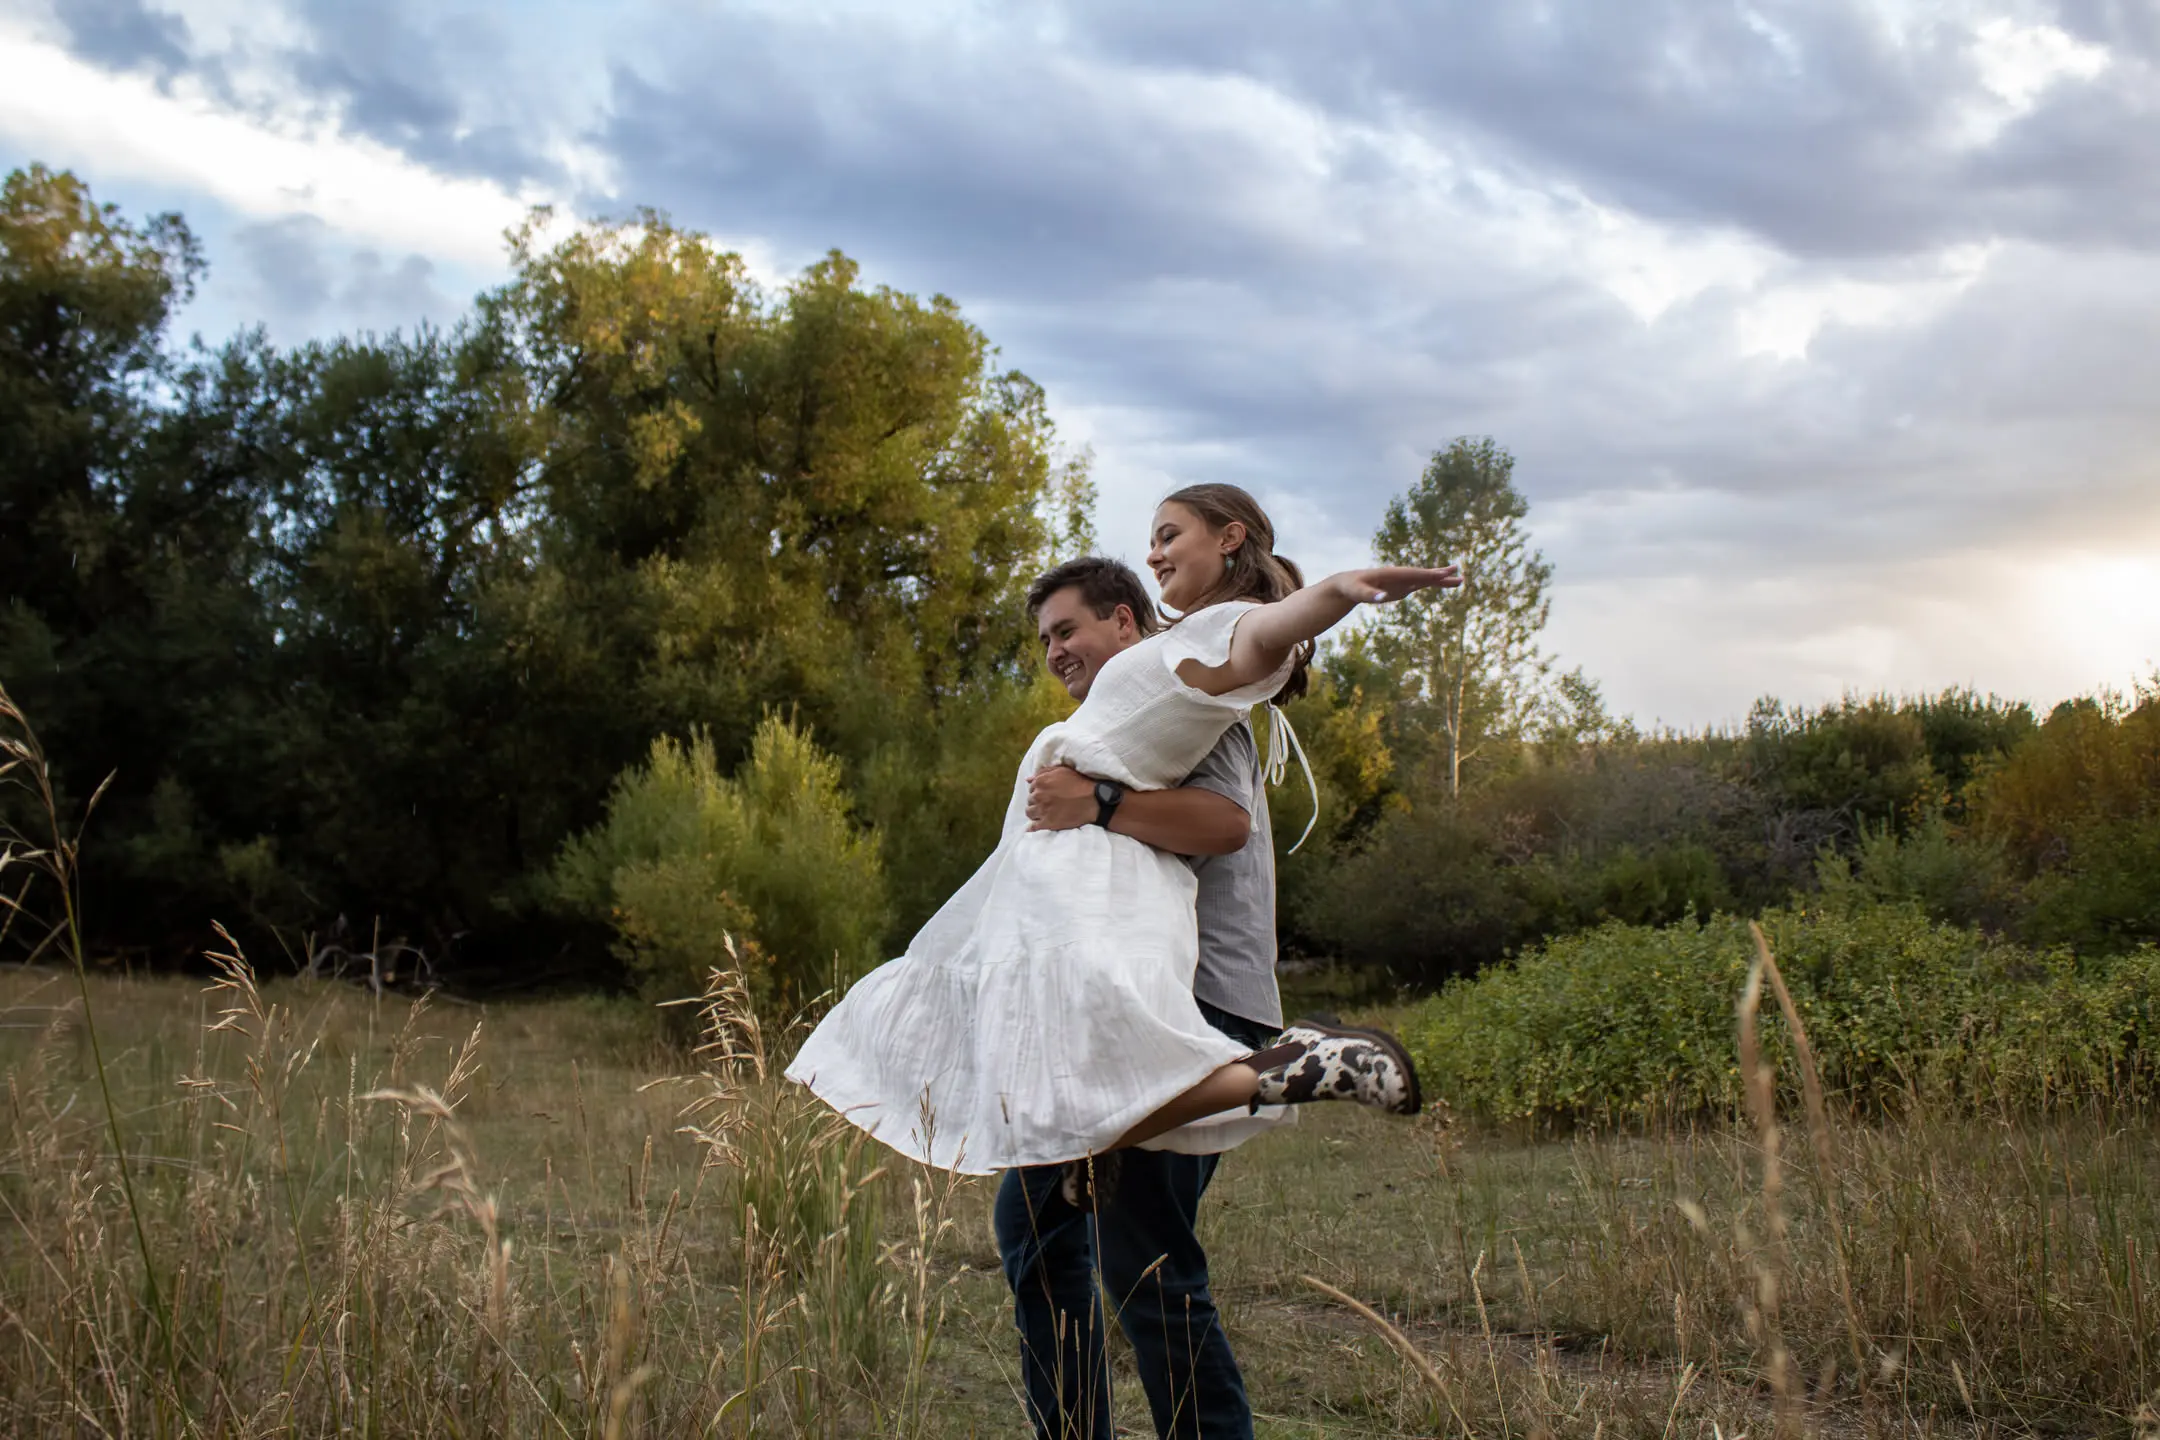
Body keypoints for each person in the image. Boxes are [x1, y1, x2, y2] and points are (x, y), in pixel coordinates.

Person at [784, 484, 1459, 1174]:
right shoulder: (1154, 665)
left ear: (1227, 539)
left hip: (1119, 908)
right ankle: (1115, 1162)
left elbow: (1263, 637)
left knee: (1069, 1109)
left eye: (1170, 535)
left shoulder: (1202, 643)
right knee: (1037, 1103)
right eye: (1045, 638)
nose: (1154, 551)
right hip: (1057, 893)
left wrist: (1342, 588)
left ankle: (1296, 1067)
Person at [998, 551, 1277, 1440]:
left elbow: (1225, 826)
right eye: (1045, 639)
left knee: (1146, 1260)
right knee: (1037, 1230)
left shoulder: (1188, 703)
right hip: (1114, 1017)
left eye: (1068, 628)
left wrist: (1102, 806)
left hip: (1197, 1004)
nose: (1055, 651)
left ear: (1126, 621)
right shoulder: (1116, 729)